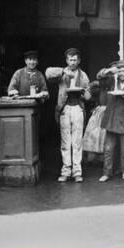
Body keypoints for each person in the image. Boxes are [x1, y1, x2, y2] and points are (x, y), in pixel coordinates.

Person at [45, 48, 91, 182]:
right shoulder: (62, 74)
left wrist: (82, 92)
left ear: (79, 61)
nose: (73, 62)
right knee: (65, 142)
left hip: (78, 108)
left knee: (77, 142)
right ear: (66, 60)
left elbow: (88, 97)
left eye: (75, 60)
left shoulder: (83, 76)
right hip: (65, 109)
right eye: (70, 60)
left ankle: (77, 172)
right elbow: (48, 73)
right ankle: (66, 170)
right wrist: (63, 71)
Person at [96, 60, 124, 182]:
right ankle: (107, 173)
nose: (121, 73)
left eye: (123, 70)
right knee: (109, 149)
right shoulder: (111, 82)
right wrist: (110, 70)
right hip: (111, 119)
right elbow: (99, 76)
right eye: (119, 70)